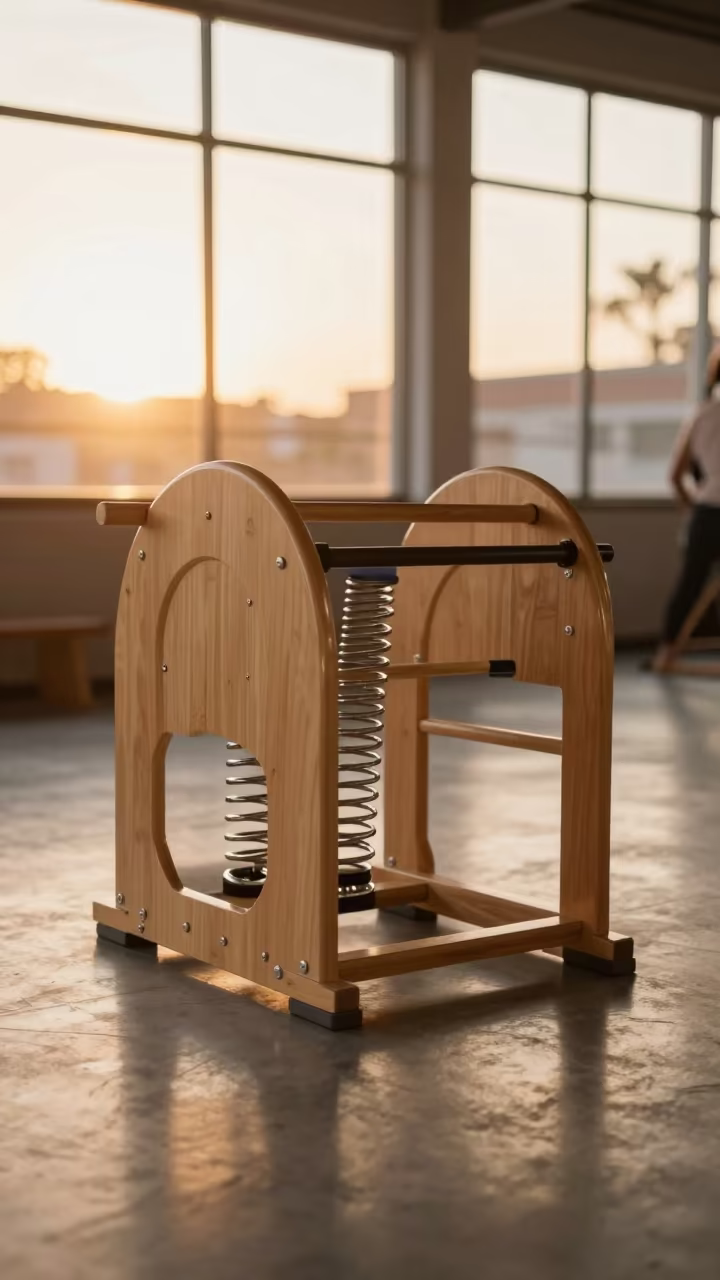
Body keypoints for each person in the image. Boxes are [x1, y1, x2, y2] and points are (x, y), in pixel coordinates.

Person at [652, 344, 720, 671]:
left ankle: (667, 653)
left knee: (691, 582)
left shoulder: (701, 414)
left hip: (706, 512)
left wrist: (691, 511)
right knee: (693, 583)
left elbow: (675, 476)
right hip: (707, 513)